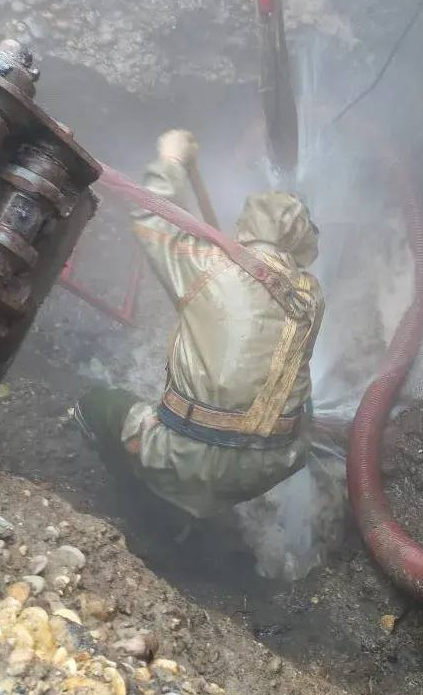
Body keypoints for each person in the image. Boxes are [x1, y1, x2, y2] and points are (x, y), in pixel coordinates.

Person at [72, 129, 324, 527]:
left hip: (189, 456)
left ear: (247, 226)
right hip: (274, 464)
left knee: (97, 405)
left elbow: (151, 215)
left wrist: (170, 159)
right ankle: (193, 511)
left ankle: (135, 503)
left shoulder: (210, 268)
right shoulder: (310, 297)